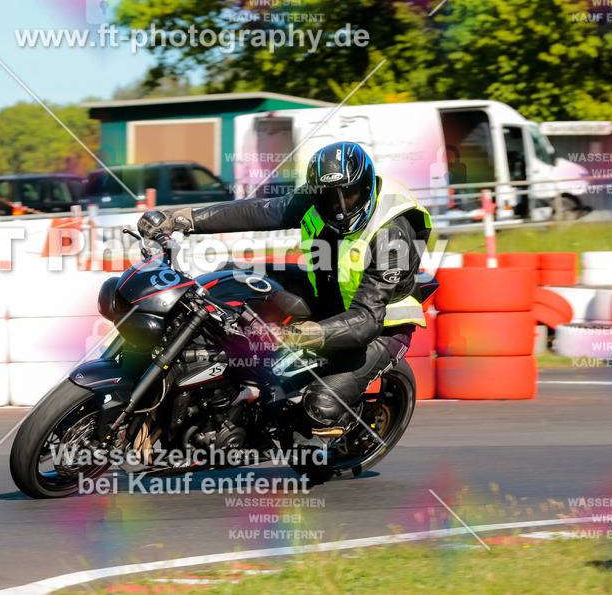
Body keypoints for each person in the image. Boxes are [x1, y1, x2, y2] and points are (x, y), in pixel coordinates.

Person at [137, 142, 432, 435]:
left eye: (350, 196)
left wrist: (295, 335)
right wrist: (181, 219)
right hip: (329, 293)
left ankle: (328, 434)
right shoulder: (316, 199)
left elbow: (366, 320)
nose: (340, 209)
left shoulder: (393, 237)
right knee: (231, 277)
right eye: (331, 200)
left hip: (380, 326)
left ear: (367, 188)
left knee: (320, 406)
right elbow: (256, 212)